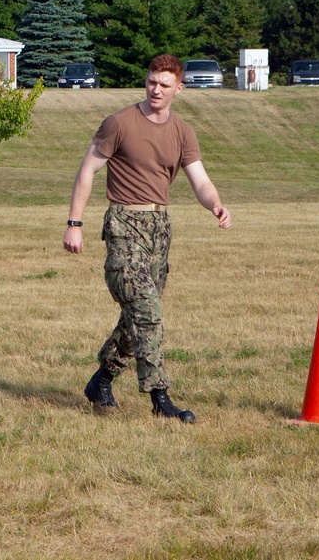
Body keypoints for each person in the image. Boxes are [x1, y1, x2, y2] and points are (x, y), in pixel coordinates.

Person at [63, 54, 231, 423]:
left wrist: (215, 205)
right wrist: (75, 223)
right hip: (124, 223)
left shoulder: (183, 131)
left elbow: (199, 180)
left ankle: (101, 380)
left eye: (165, 85)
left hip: (160, 228)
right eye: (152, 81)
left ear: (179, 88)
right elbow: (86, 171)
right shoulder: (119, 123)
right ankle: (160, 397)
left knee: (136, 316)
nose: (156, 89)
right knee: (148, 312)